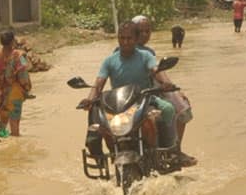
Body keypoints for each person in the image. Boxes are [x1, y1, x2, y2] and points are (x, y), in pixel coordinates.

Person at [82, 21, 178, 160]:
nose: (125, 42)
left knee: (168, 108)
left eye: (129, 38)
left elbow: (156, 70)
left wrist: (166, 82)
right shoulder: (109, 61)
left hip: (144, 99)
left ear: (136, 39)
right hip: (118, 104)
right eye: (122, 38)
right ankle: (98, 154)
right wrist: (89, 99)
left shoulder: (146, 56)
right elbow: (98, 84)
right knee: (98, 123)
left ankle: (171, 152)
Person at [131, 16, 196, 166]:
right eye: (140, 31)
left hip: (151, 89)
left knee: (179, 107)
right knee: (183, 108)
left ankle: (173, 148)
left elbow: (159, 71)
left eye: (148, 31)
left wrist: (171, 85)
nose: (145, 34)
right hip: (143, 92)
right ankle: (175, 151)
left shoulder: (145, 51)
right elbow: (158, 73)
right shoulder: (137, 52)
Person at [0, 30, 31, 137]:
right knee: (14, 123)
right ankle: (16, 143)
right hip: (14, 93)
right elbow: (23, 76)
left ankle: (3, 138)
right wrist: (27, 89)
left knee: (3, 121)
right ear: (12, 41)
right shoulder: (19, 56)